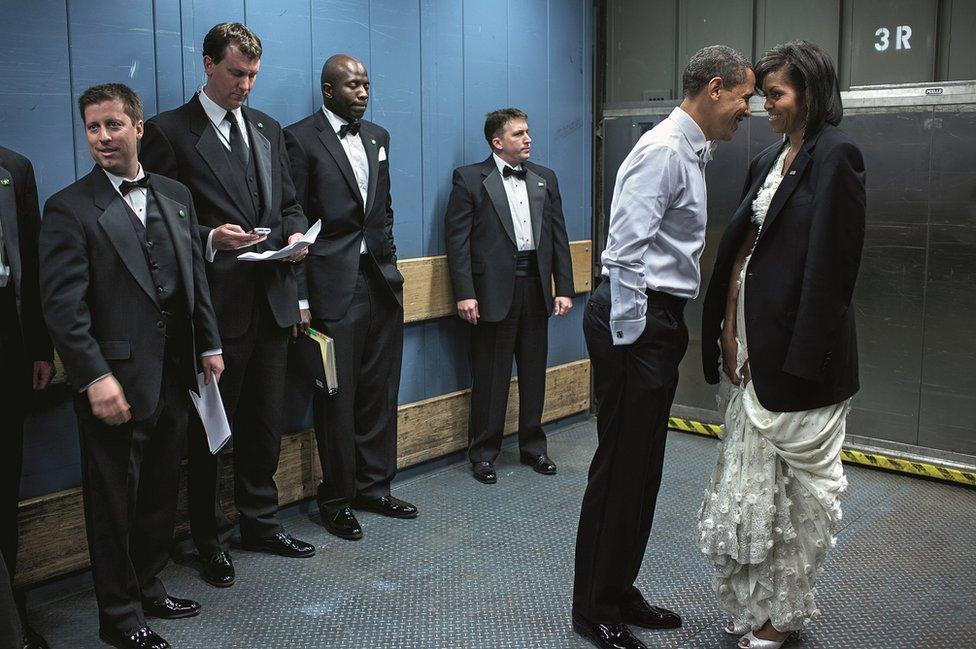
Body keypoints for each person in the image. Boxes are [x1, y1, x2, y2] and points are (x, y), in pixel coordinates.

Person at [573, 46, 755, 649]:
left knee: (643, 468)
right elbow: (623, 256)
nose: (746, 109)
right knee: (620, 465)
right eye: (742, 96)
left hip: (656, 320)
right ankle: (593, 606)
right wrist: (630, 346)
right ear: (713, 88)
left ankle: (620, 590)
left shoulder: (690, 151)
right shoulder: (662, 151)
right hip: (635, 321)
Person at [39, 83, 223, 649]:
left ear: (138, 128)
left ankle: (147, 582)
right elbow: (62, 308)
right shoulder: (68, 207)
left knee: (161, 491)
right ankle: (118, 618)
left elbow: (195, 281)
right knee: (113, 502)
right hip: (113, 381)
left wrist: (210, 344)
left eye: (113, 125)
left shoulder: (175, 193)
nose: (102, 137)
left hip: (175, 375)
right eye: (93, 127)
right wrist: (95, 377)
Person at [698, 40, 865, 649]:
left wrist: (796, 364)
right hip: (751, 348)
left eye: (776, 94)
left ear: (811, 94)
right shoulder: (768, 157)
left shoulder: (837, 155)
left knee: (799, 501)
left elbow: (832, 274)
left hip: (800, 362)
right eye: (763, 94)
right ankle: (753, 605)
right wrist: (724, 328)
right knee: (754, 490)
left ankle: (781, 615)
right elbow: (743, 252)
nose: (764, 105)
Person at [140, 22, 315, 587]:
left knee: (264, 422)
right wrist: (211, 239)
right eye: (237, 73)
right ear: (208, 64)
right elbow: (151, 225)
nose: (246, 85)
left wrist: (293, 239)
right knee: (210, 431)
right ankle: (208, 538)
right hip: (213, 310)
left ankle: (259, 523)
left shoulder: (266, 126)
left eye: (254, 76)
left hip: (272, 301)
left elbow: (288, 202)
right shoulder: (168, 132)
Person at [284, 54, 417, 541]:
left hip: (380, 281)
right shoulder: (299, 138)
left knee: (380, 390)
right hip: (330, 285)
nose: (363, 91)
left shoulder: (379, 137)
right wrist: (300, 298)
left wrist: (394, 266)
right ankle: (336, 498)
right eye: (352, 84)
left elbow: (383, 211)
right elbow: (292, 217)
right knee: (336, 398)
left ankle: (375, 486)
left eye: (366, 83)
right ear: (328, 90)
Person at [444, 108, 575, 484]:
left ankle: (534, 447)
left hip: (535, 287)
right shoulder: (469, 179)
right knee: (491, 376)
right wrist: (465, 294)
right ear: (497, 142)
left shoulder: (545, 179)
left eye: (528, 132)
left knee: (534, 372)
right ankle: (484, 453)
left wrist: (563, 287)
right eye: (518, 134)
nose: (528, 139)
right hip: (490, 294)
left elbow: (557, 237)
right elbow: (457, 242)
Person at [0, 144, 54, 649]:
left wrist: (40, 348)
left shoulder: (14, 167)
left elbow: (32, 265)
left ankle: (8, 621)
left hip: (8, 352)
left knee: (4, 489)